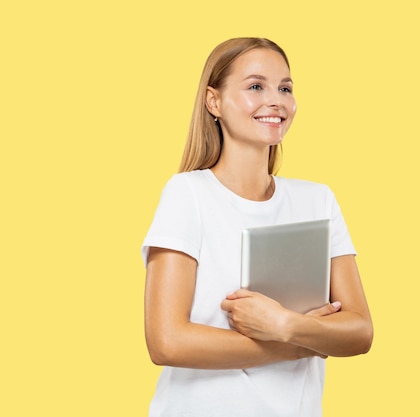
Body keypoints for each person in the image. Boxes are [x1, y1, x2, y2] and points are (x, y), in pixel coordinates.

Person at [141, 37, 373, 417]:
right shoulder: (188, 194)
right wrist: (295, 342)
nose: (276, 100)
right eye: (255, 86)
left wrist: (283, 323)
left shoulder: (318, 201)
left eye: (285, 88)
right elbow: (167, 341)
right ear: (214, 102)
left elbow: (359, 331)